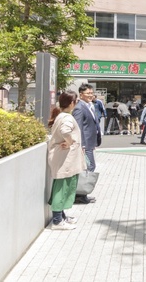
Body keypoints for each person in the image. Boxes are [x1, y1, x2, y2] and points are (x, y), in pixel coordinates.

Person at [47, 90, 87, 230]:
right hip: (65, 159)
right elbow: (65, 131)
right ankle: (57, 221)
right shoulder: (67, 118)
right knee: (62, 187)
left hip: (63, 158)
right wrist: (70, 142)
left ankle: (61, 216)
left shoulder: (61, 115)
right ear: (72, 103)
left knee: (63, 186)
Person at [72, 83, 98, 204]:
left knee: (89, 167)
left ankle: (83, 194)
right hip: (84, 144)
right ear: (81, 95)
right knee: (88, 167)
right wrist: (81, 145)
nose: (90, 95)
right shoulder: (79, 107)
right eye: (88, 93)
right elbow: (78, 127)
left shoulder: (89, 105)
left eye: (91, 93)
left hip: (90, 143)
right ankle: (80, 195)